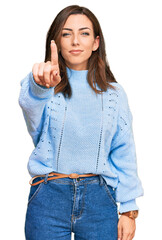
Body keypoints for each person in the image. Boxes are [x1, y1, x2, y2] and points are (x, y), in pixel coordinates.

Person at [19, 5, 143, 240]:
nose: (75, 41)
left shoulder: (114, 94)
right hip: (48, 198)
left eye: (84, 33)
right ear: (56, 42)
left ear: (96, 42)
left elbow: (124, 151)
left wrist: (129, 209)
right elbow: (30, 112)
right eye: (66, 34)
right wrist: (40, 86)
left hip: (100, 199)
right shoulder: (43, 85)